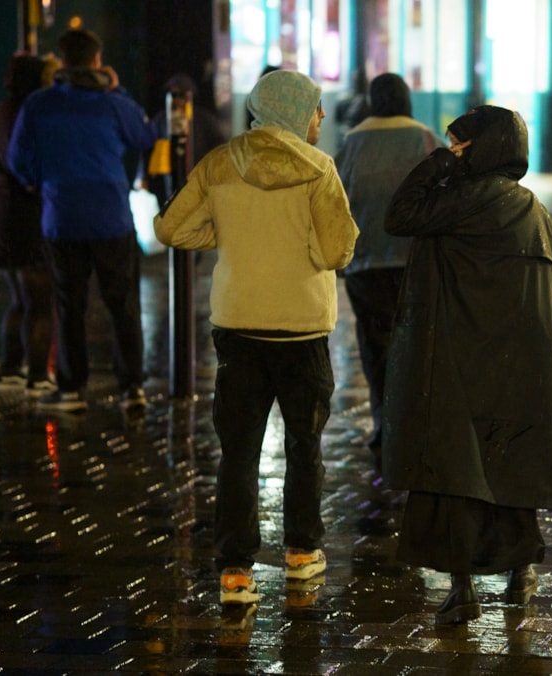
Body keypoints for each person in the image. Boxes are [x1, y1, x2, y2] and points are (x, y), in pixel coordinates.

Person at [153, 69, 359, 605]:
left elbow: (171, 229)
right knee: (304, 446)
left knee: (238, 454)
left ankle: (236, 572)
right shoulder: (319, 169)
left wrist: (224, 235)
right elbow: (337, 252)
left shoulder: (221, 162)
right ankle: (300, 554)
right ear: (296, 111)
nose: (320, 116)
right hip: (302, 329)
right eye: (314, 107)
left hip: (238, 329)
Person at [382, 105, 552, 626]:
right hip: (520, 363)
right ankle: (520, 576)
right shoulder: (534, 210)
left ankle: (462, 588)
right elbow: (551, 298)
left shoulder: (459, 202)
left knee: (453, 476)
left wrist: (439, 164)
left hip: (457, 363)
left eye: (458, 143)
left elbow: (398, 215)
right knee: (512, 467)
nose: (451, 151)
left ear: (476, 148)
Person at [7, 28, 160, 412]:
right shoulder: (112, 103)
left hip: (62, 218)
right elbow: (145, 136)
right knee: (122, 303)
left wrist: (42, 181)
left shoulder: (40, 105)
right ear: (97, 60)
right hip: (111, 217)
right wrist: (117, 90)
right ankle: (132, 388)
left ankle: (73, 388)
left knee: (69, 305)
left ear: (60, 61)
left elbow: (18, 159)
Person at [333, 73, 443, 465]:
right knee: (415, 344)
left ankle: (383, 420)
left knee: (375, 344)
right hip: (414, 261)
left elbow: (336, 198)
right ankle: (415, 421)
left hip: (364, 263)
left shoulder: (351, 142)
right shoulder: (426, 138)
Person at [0, 53, 59, 396]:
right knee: (41, 300)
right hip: (23, 216)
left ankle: (10, 368)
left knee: (19, 299)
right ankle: (38, 375)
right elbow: (29, 167)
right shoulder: (28, 114)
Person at [146, 73, 229, 209]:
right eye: (172, 95)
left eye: (180, 95)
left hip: (198, 179)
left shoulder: (202, 119)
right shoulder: (162, 119)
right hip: (169, 180)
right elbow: (149, 145)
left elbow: (220, 144)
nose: (176, 100)